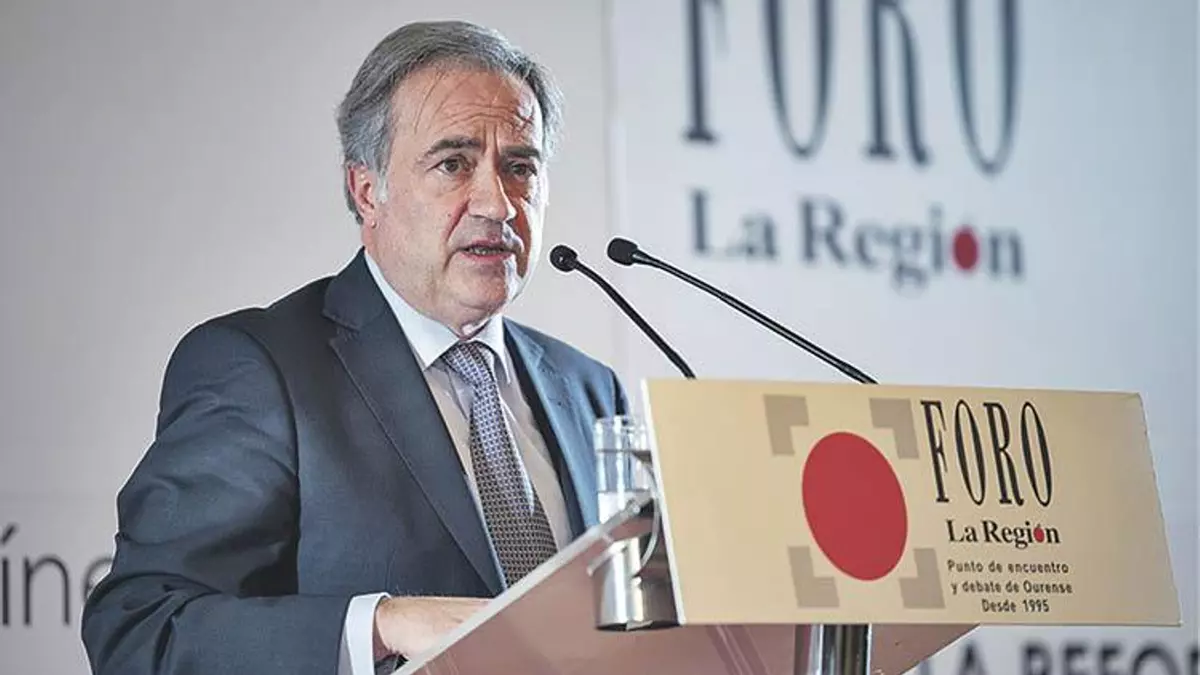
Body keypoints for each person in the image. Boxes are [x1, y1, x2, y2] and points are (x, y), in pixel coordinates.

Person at [80, 20, 627, 675]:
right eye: (453, 163)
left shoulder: (590, 389)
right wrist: (382, 624)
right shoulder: (262, 369)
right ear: (367, 191)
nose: (499, 203)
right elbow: (141, 631)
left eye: (519, 168)